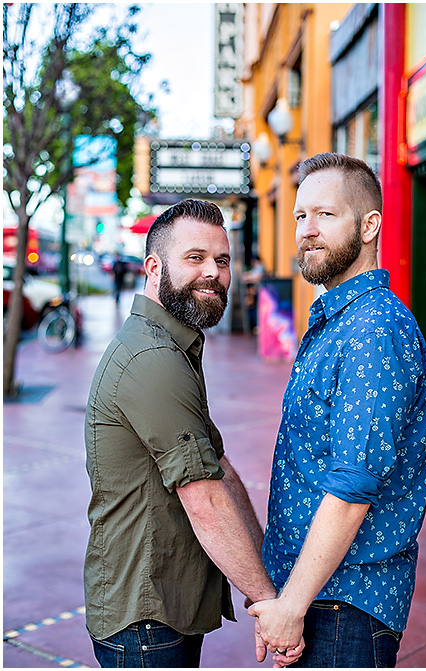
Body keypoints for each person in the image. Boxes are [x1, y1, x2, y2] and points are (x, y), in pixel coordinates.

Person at [248, 153, 426, 668]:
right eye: (300, 216)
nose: (307, 230)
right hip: (316, 599)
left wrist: (291, 604)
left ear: (369, 225)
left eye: (325, 215)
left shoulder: (373, 330)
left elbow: (352, 488)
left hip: (342, 610)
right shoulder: (339, 321)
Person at [84, 199, 277, 667]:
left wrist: (264, 578)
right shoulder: (152, 359)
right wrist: (269, 603)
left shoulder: (172, 346)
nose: (213, 271)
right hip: (146, 621)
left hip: (166, 607)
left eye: (222, 259)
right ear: (154, 268)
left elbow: (221, 468)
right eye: (195, 258)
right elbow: (205, 498)